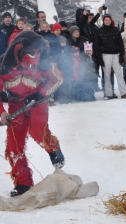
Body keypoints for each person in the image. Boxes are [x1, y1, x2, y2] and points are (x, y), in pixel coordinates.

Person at [0, 31, 64, 197]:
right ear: (19, 51)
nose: (35, 57)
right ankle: (23, 183)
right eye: (31, 53)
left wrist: (40, 94)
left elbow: (57, 79)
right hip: (15, 105)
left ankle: (53, 148)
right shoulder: (3, 65)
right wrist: (1, 112)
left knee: (38, 133)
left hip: (37, 102)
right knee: (14, 146)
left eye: (38, 52)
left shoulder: (45, 62)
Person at [94, 14, 126, 99]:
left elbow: (120, 44)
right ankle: (109, 93)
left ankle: (124, 92)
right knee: (107, 75)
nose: (107, 21)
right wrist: (99, 58)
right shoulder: (99, 31)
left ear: (111, 20)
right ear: (103, 21)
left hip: (116, 55)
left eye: (109, 20)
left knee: (119, 74)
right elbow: (97, 46)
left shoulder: (116, 30)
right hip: (105, 55)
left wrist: (121, 55)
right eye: (106, 20)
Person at [53, 35, 72, 103]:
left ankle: (69, 96)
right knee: (62, 84)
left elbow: (71, 59)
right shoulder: (57, 50)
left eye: (64, 41)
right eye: (62, 41)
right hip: (60, 69)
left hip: (68, 69)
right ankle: (62, 97)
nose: (63, 42)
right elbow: (56, 60)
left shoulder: (68, 49)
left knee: (68, 83)